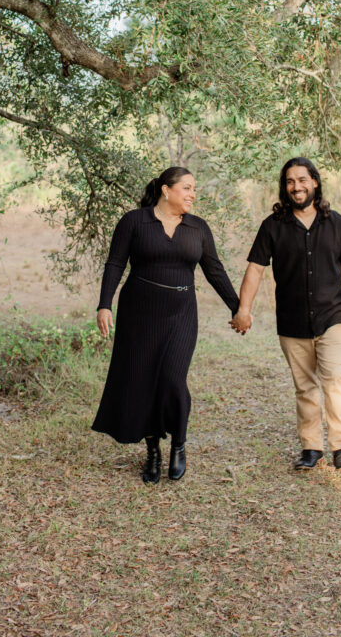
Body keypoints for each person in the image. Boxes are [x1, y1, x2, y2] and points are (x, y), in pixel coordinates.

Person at [92, 166, 239, 484]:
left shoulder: (198, 228)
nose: (192, 194)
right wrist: (105, 304)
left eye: (194, 188)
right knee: (144, 380)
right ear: (165, 189)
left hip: (181, 313)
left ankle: (179, 445)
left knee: (173, 379)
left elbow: (214, 269)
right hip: (139, 313)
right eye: (187, 187)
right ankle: (153, 452)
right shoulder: (134, 222)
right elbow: (116, 262)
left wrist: (237, 307)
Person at [232, 157, 341, 471]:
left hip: (331, 316)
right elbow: (255, 269)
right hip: (292, 322)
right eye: (290, 182)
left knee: (334, 379)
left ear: (315, 183)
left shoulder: (338, 224)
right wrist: (244, 309)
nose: (297, 187)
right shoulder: (273, 226)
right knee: (305, 386)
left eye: (302, 180)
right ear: (285, 187)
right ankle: (311, 449)